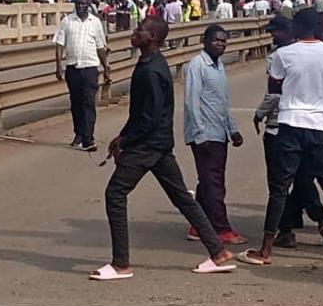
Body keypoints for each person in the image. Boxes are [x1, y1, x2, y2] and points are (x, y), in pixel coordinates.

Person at [92, 17, 237, 280]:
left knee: (115, 194)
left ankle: (120, 263)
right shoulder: (151, 63)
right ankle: (218, 253)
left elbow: (149, 116)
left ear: (153, 38)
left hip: (148, 146)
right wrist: (121, 136)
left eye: (140, 31)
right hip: (158, 145)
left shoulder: (151, 70)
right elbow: (140, 113)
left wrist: (125, 142)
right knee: (183, 198)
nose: (134, 33)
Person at [239, 9, 323, 267]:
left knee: (279, 187)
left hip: (290, 123)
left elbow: (275, 89)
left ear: (297, 28)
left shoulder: (282, 55)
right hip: (320, 124)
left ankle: (265, 250)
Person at [182, 25, 246, 245]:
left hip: (220, 132)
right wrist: (200, 135)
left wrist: (233, 128)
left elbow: (222, 102)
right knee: (214, 183)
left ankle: (197, 225)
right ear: (204, 40)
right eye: (216, 40)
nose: (220, 44)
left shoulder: (219, 67)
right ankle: (221, 228)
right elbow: (192, 102)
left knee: (208, 181)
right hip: (205, 134)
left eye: (224, 41)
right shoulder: (197, 65)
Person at [53, 0, 111, 152]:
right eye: (77, 4)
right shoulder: (67, 21)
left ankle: (88, 138)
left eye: (83, 4)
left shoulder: (95, 22)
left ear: (88, 5)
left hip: (90, 68)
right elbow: (59, 44)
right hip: (73, 68)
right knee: (76, 103)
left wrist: (106, 68)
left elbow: (100, 46)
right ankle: (79, 133)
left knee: (88, 102)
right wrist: (58, 65)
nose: (79, 6)